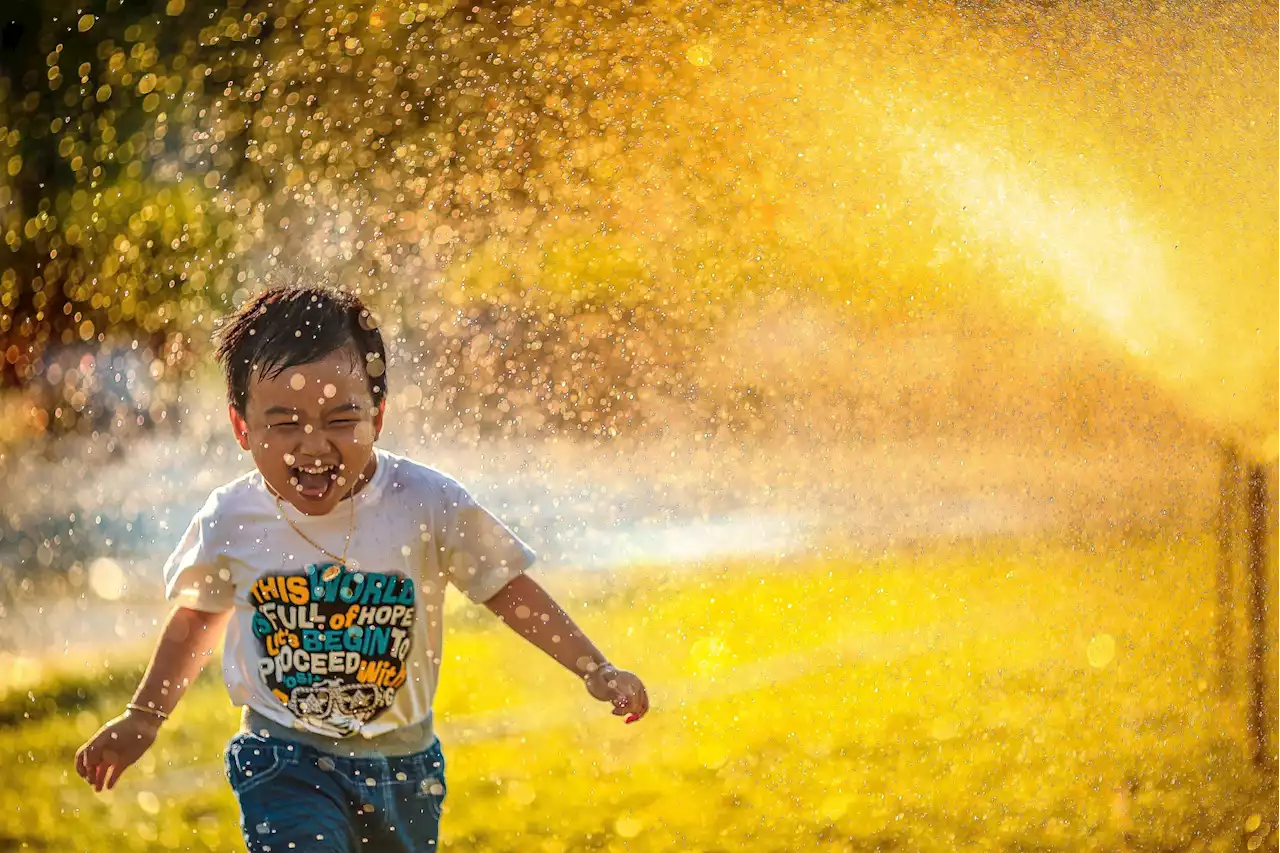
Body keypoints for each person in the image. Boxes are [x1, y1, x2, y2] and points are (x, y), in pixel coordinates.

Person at [74, 282, 649, 852]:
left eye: (340, 419)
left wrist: (593, 667)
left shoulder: (426, 502)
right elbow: (198, 618)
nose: (314, 445)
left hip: (404, 768)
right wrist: (145, 715)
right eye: (285, 423)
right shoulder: (233, 517)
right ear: (242, 428)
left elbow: (506, 588)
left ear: (378, 415)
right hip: (283, 756)